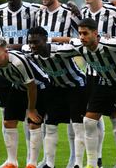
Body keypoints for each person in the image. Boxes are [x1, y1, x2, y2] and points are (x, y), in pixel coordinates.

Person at [53, 18, 116, 168]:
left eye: (85, 33)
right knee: (88, 121)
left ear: (95, 33)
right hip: (105, 84)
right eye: (80, 33)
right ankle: (91, 164)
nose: (82, 37)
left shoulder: (110, 44)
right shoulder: (79, 45)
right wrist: (49, 39)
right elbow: (70, 40)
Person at [0, 0, 40, 168]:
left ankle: (31, 161)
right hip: (4, 70)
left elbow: (47, 23)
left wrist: (73, 8)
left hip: (26, 66)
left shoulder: (34, 10)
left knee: (30, 115)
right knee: (7, 114)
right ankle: (12, 160)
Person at [22, 26, 87, 168]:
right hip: (56, 88)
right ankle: (49, 164)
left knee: (77, 125)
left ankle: (78, 164)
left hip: (76, 87)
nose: (32, 45)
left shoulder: (62, 50)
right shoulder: (28, 51)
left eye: (36, 42)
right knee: (50, 125)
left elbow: (82, 44)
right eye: (30, 42)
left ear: (45, 40)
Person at [36, 0, 82, 168]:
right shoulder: (39, 15)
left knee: (76, 123)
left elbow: (81, 38)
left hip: (71, 75)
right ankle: (48, 162)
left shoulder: (67, 13)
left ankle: (76, 160)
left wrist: (54, 40)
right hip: (50, 78)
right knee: (50, 122)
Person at [81, 0, 116, 168]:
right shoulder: (82, 13)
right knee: (93, 117)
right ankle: (96, 159)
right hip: (92, 73)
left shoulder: (114, 13)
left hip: (115, 73)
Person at [0, 36, 50, 168]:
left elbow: (32, 86)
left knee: (34, 123)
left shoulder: (18, 62)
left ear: (6, 52)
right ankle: (12, 162)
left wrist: (31, 109)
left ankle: (32, 164)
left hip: (39, 87)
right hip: (18, 86)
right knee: (8, 122)